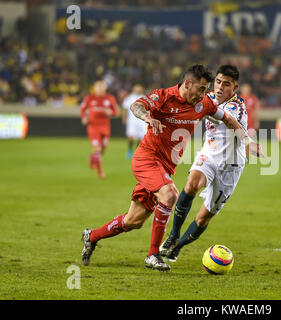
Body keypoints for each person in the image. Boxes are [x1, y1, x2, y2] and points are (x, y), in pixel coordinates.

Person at [81, 64, 264, 271]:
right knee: (170, 194)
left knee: (134, 220)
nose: (205, 94)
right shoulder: (164, 97)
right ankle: (153, 255)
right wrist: (147, 117)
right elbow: (136, 106)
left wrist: (249, 142)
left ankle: (92, 236)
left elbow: (230, 121)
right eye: (202, 89)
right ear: (188, 84)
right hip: (147, 159)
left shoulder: (202, 104)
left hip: (166, 167)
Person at [160, 65, 249, 262]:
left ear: (234, 88)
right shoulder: (205, 97)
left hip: (231, 165)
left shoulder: (237, 106)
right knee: (191, 185)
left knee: (203, 217)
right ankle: (173, 235)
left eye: (226, 84)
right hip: (209, 154)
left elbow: (225, 120)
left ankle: (178, 246)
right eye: (217, 82)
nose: (219, 87)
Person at [80, 80, 119, 179]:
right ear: (94, 87)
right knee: (97, 149)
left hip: (105, 127)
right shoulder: (89, 98)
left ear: (105, 88)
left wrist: (110, 112)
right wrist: (84, 117)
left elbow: (116, 112)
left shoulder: (110, 98)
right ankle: (100, 172)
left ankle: (93, 157)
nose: (100, 88)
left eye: (102, 86)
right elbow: (82, 108)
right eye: (98, 86)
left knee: (103, 149)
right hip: (93, 127)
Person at [122, 84, 147, 159]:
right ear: (133, 89)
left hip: (142, 120)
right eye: (137, 88)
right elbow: (125, 109)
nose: (138, 89)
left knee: (141, 136)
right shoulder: (129, 98)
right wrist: (124, 118)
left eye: (140, 88)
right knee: (131, 136)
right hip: (132, 120)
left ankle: (137, 151)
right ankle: (129, 150)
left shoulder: (145, 98)